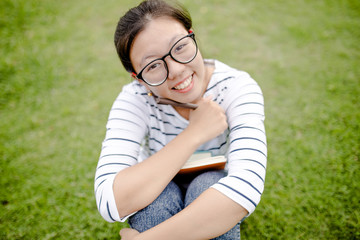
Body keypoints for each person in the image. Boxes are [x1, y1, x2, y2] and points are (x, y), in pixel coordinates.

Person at [94, 0, 267, 239]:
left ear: (191, 35)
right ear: (138, 79)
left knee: (207, 184)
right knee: (154, 203)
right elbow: (110, 201)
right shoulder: (134, 100)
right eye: (153, 65)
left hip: (217, 190)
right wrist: (195, 133)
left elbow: (245, 188)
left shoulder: (236, 88)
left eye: (179, 47)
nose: (175, 70)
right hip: (156, 186)